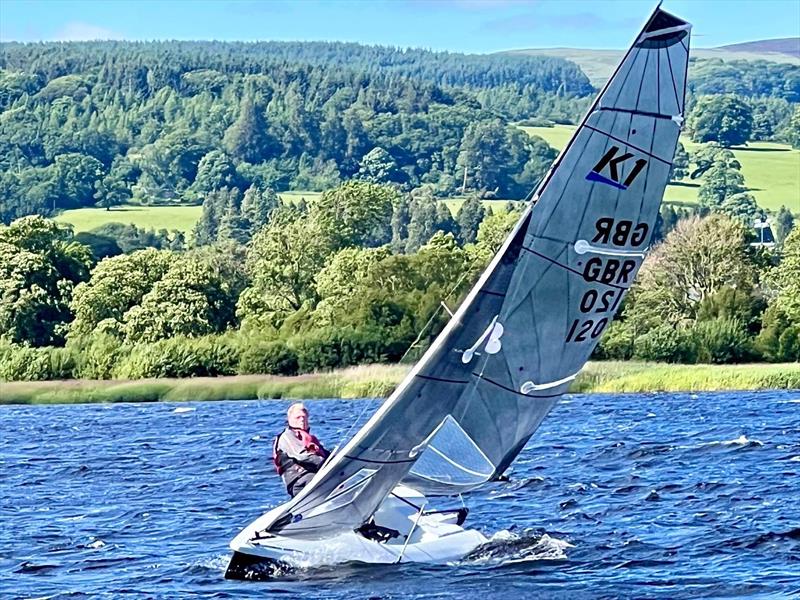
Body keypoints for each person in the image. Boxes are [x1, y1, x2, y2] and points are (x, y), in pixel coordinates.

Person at [272, 403, 330, 497]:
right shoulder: (287, 436)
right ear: (289, 419)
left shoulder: (310, 439)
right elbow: (301, 455)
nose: (302, 420)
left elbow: (327, 455)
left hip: (313, 475)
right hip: (299, 481)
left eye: (304, 417)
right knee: (325, 481)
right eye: (298, 417)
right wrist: (325, 462)